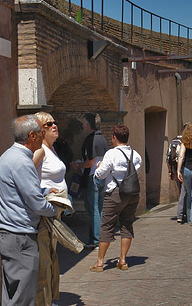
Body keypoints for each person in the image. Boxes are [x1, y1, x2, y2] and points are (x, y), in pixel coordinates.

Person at [0, 115, 58, 306]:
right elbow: (37, 204)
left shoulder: (9, 156)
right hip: (20, 237)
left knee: (14, 295)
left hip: (12, 235)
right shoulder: (21, 161)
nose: (43, 136)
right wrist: (55, 208)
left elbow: (22, 191)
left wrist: (45, 191)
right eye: (41, 133)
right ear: (32, 136)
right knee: (23, 298)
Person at [90, 124, 142, 272]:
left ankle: (100, 262)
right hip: (132, 193)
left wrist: (99, 166)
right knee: (127, 225)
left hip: (115, 193)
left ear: (114, 137)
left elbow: (100, 175)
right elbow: (135, 170)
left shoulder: (111, 154)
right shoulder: (136, 155)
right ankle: (123, 260)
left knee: (107, 226)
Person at [32, 112, 70, 306]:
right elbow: (26, 178)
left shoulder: (51, 149)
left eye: (55, 122)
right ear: (41, 130)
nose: (54, 125)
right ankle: (42, 302)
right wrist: (44, 191)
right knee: (44, 259)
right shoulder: (40, 151)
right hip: (45, 214)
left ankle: (49, 299)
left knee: (52, 256)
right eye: (49, 124)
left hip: (56, 212)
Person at [71, 113, 108, 249]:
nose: (82, 125)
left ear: (88, 124)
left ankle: (96, 240)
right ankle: (98, 238)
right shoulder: (102, 139)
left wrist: (78, 165)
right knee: (98, 209)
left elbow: (90, 162)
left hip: (92, 177)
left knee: (93, 210)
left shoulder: (91, 140)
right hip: (100, 177)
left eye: (84, 123)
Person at [166, 129, 187, 223]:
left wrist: (170, 171)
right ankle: (182, 213)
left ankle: (182, 213)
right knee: (185, 191)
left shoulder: (173, 141)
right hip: (184, 167)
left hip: (175, 167)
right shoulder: (187, 140)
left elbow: (168, 158)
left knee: (181, 190)